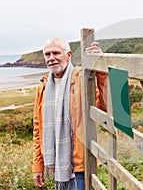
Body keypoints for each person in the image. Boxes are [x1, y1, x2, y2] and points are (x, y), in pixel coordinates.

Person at [32, 38, 107, 189]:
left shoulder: (82, 79)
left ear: (69, 55)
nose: (51, 58)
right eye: (47, 54)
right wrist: (37, 165)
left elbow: (105, 105)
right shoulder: (43, 88)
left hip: (80, 165)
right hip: (57, 167)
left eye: (56, 53)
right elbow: (38, 129)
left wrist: (101, 68)